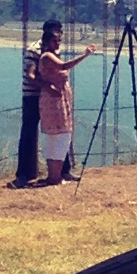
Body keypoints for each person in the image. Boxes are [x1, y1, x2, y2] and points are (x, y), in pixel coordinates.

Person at [33, 19, 94, 186]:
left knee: (55, 137)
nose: (57, 43)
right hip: (54, 101)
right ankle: (54, 176)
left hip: (57, 99)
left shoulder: (50, 55)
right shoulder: (47, 56)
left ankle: (54, 175)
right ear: (46, 42)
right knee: (61, 136)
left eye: (59, 40)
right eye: (54, 41)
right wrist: (85, 55)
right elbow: (64, 66)